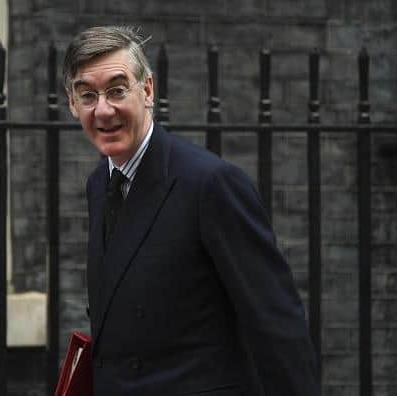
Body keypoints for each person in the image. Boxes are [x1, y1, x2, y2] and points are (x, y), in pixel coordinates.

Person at [63, 26, 320, 396]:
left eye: (118, 90)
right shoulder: (99, 185)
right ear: (72, 104)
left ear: (147, 90)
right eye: (87, 95)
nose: (103, 109)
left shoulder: (210, 183)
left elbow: (275, 322)